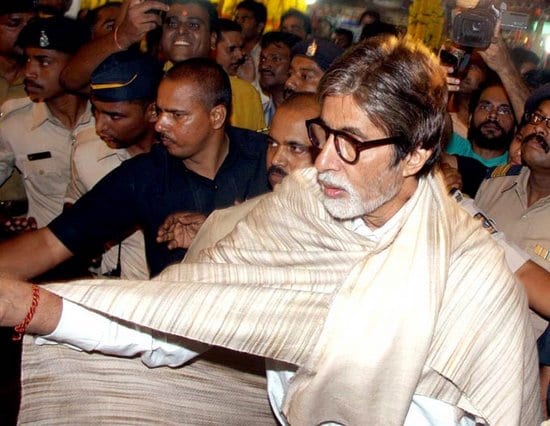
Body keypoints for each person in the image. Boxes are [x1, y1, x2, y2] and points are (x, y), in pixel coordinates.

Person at [0, 36, 540, 424]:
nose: (324, 162)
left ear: (416, 153)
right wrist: (30, 307)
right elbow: (170, 319)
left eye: (351, 143)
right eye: (322, 134)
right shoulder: (295, 213)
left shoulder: (471, 274)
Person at [0, 58, 269, 280]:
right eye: (160, 112)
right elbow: (51, 243)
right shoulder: (143, 176)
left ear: (216, 116)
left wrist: (219, 229)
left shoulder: (267, 158)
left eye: (177, 115)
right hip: (178, 331)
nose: (160, 125)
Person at [66, 50, 163, 279]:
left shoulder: (185, 157)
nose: (100, 126)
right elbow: (73, 204)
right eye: (96, 112)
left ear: (152, 111)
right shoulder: (85, 152)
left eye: (115, 116)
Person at [0, 17, 92, 232]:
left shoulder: (111, 120)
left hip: (114, 259)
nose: (29, 72)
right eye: (28, 60)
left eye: (44, 61)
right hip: (48, 256)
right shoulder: (15, 124)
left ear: (77, 64)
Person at [0, 0, 37, 226]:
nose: (26, 31)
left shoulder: (46, 83)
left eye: (31, 23)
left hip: (31, 218)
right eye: (14, 23)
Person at [445, 82, 516, 167]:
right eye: (485, 107)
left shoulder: (515, 167)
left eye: (504, 111)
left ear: (515, 127)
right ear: (470, 117)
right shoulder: (450, 144)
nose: (493, 115)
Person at [257, 31, 300, 124]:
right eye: (263, 59)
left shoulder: (306, 116)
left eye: (275, 59)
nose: (264, 65)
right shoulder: (257, 114)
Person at [233, 0, 266, 83]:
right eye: (236, 18)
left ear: (259, 27)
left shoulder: (264, 57)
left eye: (244, 19)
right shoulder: (230, 51)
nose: (238, 22)